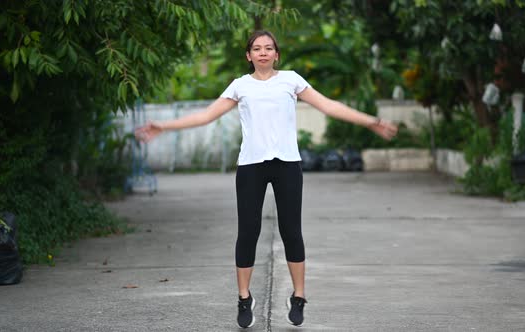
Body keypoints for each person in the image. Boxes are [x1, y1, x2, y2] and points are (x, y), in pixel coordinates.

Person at [135, 30, 398, 329]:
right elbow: (205, 116)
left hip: (287, 165)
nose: (263, 52)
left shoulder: (291, 80)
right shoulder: (240, 86)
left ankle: (298, 297)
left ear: (276, 54)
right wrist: (163, 126)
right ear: (248, 56)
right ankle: (244, 298)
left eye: (268, 48)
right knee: (248, 232)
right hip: (251, 166)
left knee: (291, 232)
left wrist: (372, 121)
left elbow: (329, 106)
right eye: (256, 48)